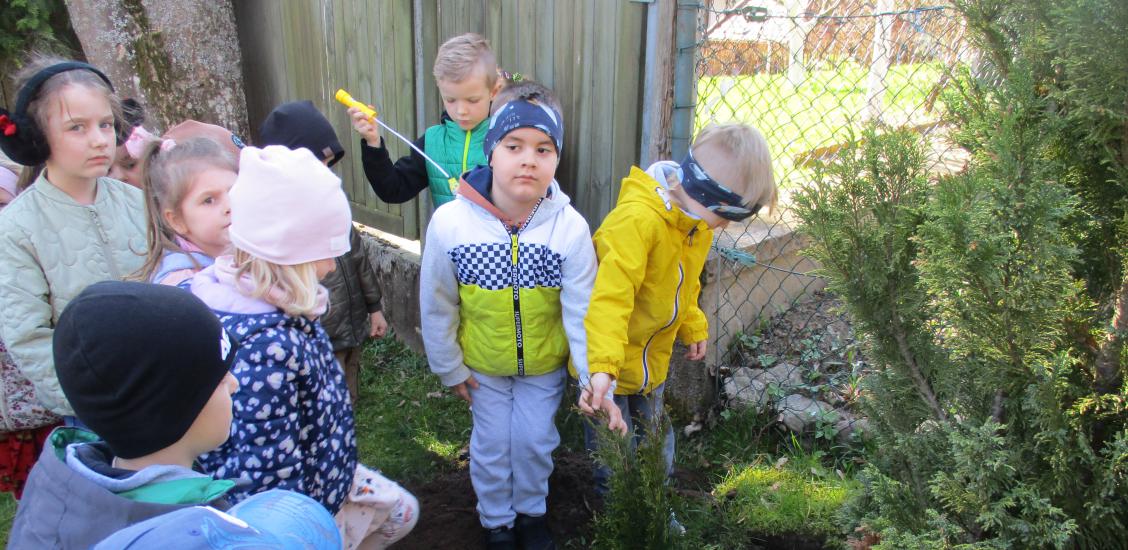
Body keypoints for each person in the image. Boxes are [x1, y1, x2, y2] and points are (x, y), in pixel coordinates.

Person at [420, 81, 622, 550]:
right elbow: (437, 301)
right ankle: (496, 522)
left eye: (543, 149)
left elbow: (580, 309)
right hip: (483, 368)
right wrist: (449, 367)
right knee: (492, 448)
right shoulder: (451, 224)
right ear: (491, 152)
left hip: (542, 368)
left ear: (556, 160)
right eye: (514, 146)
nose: (528, 159)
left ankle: (531, 514)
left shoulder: (567, 228)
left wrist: (592, 373)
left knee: (533, 443)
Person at [191, 145, 417, 549]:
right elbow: (262, 472)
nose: (332, 266)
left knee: (401, 512)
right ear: (285, 254)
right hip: (298, 515)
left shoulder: (288, 307)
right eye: (324, 253)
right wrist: (301, 530)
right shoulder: (264, 347)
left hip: (328, 476)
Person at [578, 123, 778, 524]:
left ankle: (654, 503)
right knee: (614, 448)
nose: (721, 229)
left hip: (651, 365)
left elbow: (684, 282)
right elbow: (608, 302)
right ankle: (620, 517)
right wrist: (601, 370)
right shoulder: (637, 224)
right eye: (726, 219)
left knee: (655, 439)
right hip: (609, 366)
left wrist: (694, 323)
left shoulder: (692, 225)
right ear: (711, 198)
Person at [8, 281, 243, 547]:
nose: (234, 384)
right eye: (219, 379)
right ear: (167, 409)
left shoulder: (59, 485)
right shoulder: (188, 537)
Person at [0, 55, 146, 422]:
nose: (98, 140)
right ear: (37, 135)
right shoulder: (16, 228)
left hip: (161, 394)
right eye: (76, 128)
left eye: (105, 124)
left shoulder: (140, 202)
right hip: (92, 413)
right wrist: (92, 401)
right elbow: (28, 338)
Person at [259, 100, 387, 402]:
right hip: (318, 334)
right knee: (322, 402)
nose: (327, 174)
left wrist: (374, 307)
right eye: (319, 165)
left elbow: (357, 257)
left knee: (347, 393)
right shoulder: (277, 222)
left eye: (330, 164)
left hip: (350, 325)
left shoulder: (331, 203)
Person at [349, 33, 503, 207]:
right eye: (451, 100)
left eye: (472, 100)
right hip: (447, 235)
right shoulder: (433, 142)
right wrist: (373, 143)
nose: (461, 111)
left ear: (494, 91)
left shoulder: (509, 138)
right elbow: (392, 189)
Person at [131, 137, 238, 286]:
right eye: (208, 200)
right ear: (177, 221)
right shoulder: (182, 283)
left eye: (234, 191)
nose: (230, 206)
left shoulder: (255, 250)